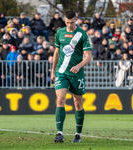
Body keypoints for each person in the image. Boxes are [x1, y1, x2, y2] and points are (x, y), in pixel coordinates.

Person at [52, 11, 91, 143]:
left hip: (76, 74)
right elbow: (56, 53)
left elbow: (88, 57)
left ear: (76, 19)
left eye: (72, 22)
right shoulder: (60, 33)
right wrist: (53, 70)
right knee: (60, 99)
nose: (69, 25)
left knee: (78, 103)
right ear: (64, 20)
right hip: (61, 72)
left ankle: (78, 134)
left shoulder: (82, 34)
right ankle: (59, 133)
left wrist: (79, 66)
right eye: (67, 22)